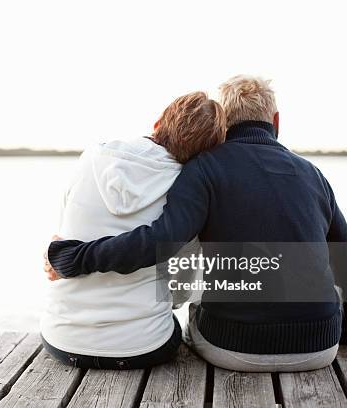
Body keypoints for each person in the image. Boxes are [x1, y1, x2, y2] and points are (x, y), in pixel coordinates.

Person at [46, 76, 347, 372]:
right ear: (276, 120)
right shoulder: (312, 174)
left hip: (232, 349)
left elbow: (163, 241)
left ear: (223, 125)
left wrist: (74, 257)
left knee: (199, 291)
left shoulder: (202, 170)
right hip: (320, 348)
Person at [41, 91, 226, 369]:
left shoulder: (92, 157)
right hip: (143, 346)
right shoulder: (187, 192)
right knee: (174, 324)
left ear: (159, 122)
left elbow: (62, 236)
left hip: (63, 339)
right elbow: (182, 286)